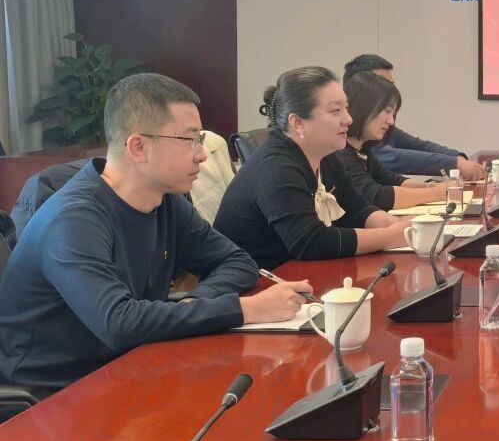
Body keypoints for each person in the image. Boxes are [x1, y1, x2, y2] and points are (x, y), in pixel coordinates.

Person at [0, 74, 309, 391]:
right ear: (139, 147)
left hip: (130, 363)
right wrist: (243, 309)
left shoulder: (165, 202)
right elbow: (118, 323)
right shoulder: (73, 219)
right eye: (189, 140)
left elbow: (237, 262)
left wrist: (194, 302)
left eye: (200, 139)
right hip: (53, 392)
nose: (202, 154)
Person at [214, 66, 411, 270]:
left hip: (299, 274)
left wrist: (399, 227)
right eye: (336, 111)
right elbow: (310, 241)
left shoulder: (325, 155)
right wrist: (390, 236)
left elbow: (357, 209)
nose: (348, 119)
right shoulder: (275, 166)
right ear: (297, 122)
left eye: (346, 108)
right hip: (255, 282)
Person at [342, 54, 484, 180]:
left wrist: (458, 158)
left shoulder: (379, 133)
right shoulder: (345, 145)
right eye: (382, 85)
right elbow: (394, 160)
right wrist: (455, 164)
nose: (391, 91)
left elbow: (419, 146)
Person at [337, 71, 448, 210]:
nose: (391, 121)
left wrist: (429, 186)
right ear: (363, 107)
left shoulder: (363, 149)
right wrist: (436, 193)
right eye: (387, 111)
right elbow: (376, 196)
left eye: (393, 114)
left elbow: (388, 178)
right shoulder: (339, 152)